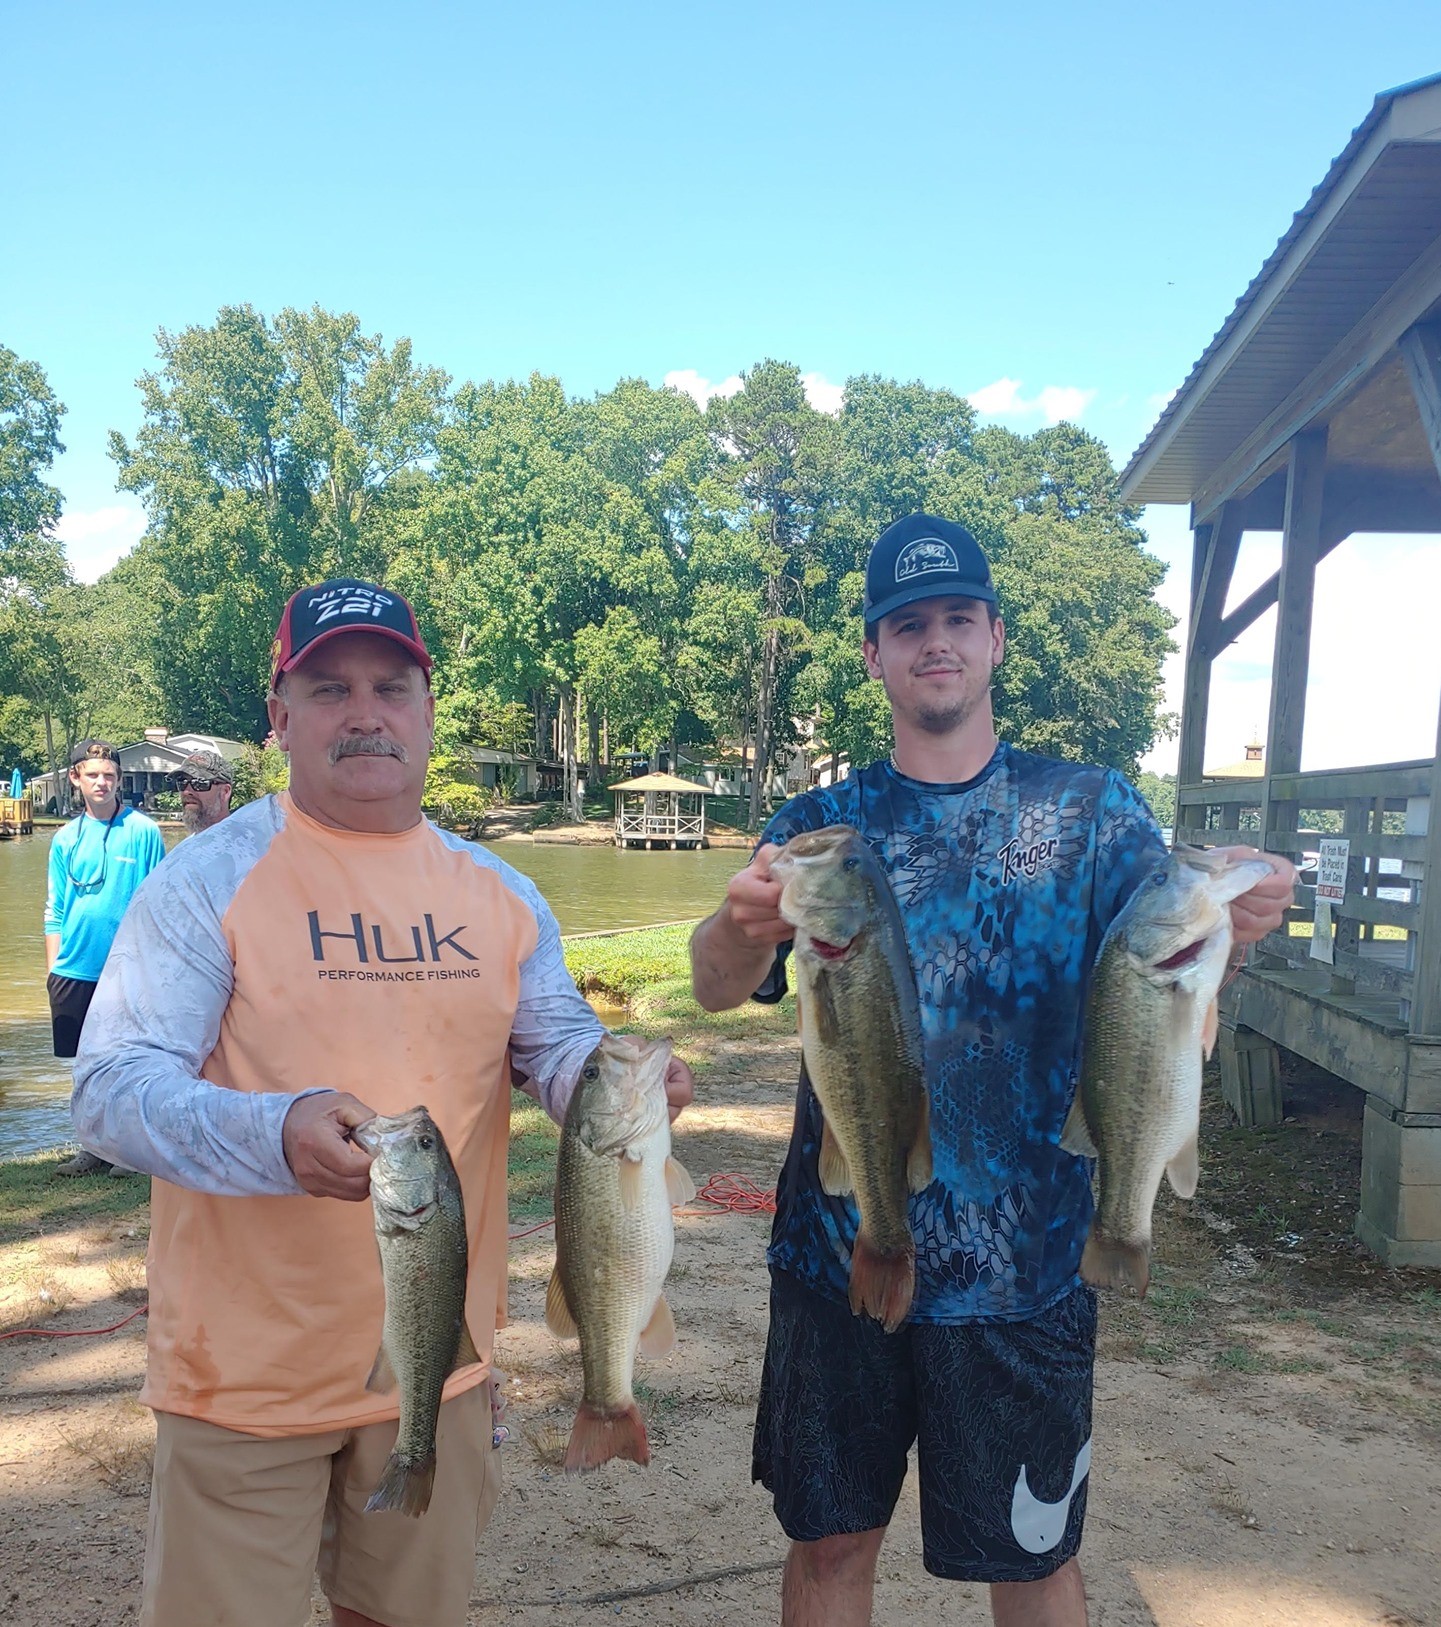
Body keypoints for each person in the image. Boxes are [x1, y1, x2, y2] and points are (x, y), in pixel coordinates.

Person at [689, 514, 1295, 1627]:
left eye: (957, 618)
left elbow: (1166, 975)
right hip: (839, 1260)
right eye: (907, 623)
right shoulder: (819, 827)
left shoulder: (1093, 808)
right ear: (873, 652)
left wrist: (1240, 927)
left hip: (1032, 1265)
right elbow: (719, 985)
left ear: (996, 638)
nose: (935, 641)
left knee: (1032, 1562)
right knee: (828, 1550)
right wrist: (734, 929)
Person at [72, 577, 695, 1627]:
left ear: (426, 710)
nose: (364, 712)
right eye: (328, 689)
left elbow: (552, 1044)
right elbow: (109, 1091)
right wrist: (275, 1129)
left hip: (438, 1365)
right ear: (278, 718)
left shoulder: (501, 894)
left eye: (390, 686)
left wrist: (615, 1079)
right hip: (241, 1375)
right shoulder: (202, 883)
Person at [46, 739, 165, 1177]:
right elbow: (55, 909)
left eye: (110, 775)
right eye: (93, 774)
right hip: (73, 969)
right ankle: (91, 1149)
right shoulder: (64, 838)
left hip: (126, 969)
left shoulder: (143, 831)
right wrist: (53, 967)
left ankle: (128, 1151)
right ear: (76, 778)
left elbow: (158, 902)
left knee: (128, 1059)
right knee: (85, 1065)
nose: (103, 782)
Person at [170, 747, 235, 833]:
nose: (186, 791)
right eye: (182, 782)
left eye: (200, 783)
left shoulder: (241, 842)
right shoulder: (187, 844)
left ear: (225, 792)